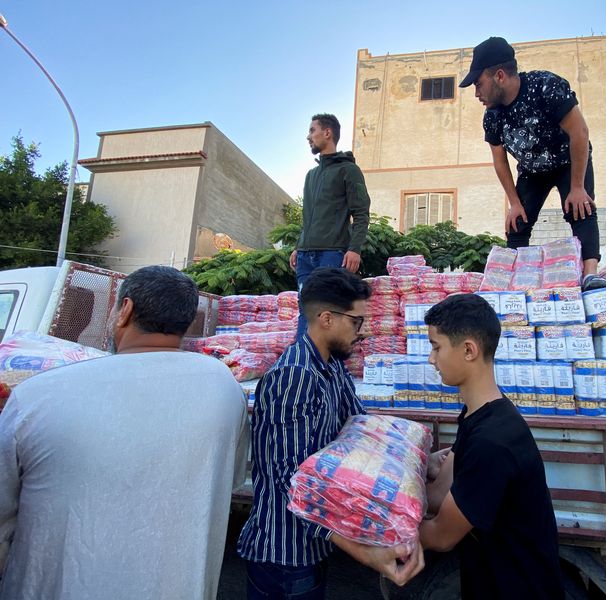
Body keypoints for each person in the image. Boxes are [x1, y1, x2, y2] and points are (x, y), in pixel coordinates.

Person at [0, 266, 248, 600]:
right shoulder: (224, 386)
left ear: (125, 310)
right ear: (187, 322)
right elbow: (229, 479)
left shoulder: (38, 394)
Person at [237, 267, 423, 599]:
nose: (361, 332)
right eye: (356, 322)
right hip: (285, 554)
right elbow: (291, 481)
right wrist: (362, 551)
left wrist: (414, 460)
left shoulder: (331, 365)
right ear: (326, 319)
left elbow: (360, 430)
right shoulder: (295, 377)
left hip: (313, 548)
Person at [418, 293, 565, 599]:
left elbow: (439, 535)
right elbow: (437, 496)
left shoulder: (493, 441)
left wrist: (363, 530)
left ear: (469, 350)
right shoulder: (477, 416)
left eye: (436, 347)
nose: (431, 358)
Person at [460, 36, 606, 291]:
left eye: (478, 85)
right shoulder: (492, 117)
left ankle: (590, 275)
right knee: (517, 223)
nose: (477, 94)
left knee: (580, 208)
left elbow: (580, 133)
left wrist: (577, 187)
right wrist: (514, 202)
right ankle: (516, 281)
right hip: (532, 171)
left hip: (569, 160)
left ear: (499, 76)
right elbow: (500, 162)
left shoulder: (545, 87)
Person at [290, 113, 371, 337]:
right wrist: (299, 245)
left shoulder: (348, 170)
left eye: (312, 130)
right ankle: (304, 365)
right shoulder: (311, 175)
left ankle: (328, 369)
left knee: (328, 313)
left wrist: (354, 248)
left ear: (327, 133)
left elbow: (361, 213)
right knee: (305, 311)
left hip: (332, 254)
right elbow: (308, 217)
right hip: (305, 257)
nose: (308, 136)